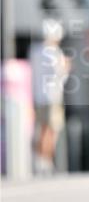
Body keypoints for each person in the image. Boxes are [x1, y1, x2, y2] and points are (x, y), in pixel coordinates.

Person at [29, 18, 72, 176]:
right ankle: (45, 161)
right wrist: (66, 66)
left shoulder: (34, 50)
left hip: (37, 96)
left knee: (41, 130)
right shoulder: (54, 52)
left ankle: (39, 161)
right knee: (51, 130)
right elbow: (59, 75)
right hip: (52, 96)